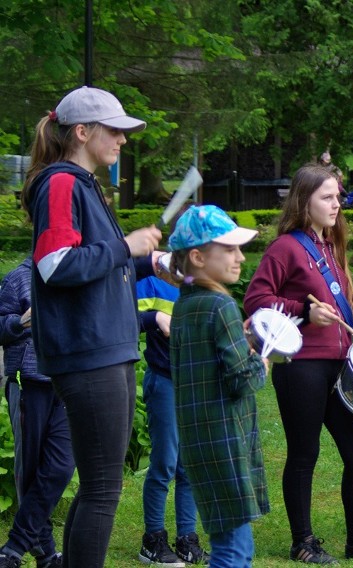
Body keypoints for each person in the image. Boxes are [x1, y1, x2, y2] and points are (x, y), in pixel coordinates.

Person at [21, 85, 162, 568]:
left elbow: (100, 269)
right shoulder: (61, 182)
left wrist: (152, 262)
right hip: (89, 355)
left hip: (108, 351)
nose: (123, 141)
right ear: (82, 132)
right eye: (115, 131)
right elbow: (55, 266)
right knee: (103, 489)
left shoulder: (84, 185)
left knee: (99, 485)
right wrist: (128, 247)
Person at [244, 165, 353, 566]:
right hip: (302, 366)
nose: (337, 204)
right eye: (327, 197)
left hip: (340, 362)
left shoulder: (330, 244)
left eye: (338, 196)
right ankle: (302, 541)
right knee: (304, 453)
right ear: (304, 200)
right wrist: (303, 312)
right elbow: (257, 302)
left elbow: (336, 298)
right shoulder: (285, 248)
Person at [167, 205, 268, 568]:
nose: (239, 257)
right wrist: (261, 360)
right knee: (233, 552)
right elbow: (243, 379)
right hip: (226, 441)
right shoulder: (221, 306)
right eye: (228, 249)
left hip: (200, 441)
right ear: (197, 256)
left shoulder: (187, 304)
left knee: (232, 545)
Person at [0, 258, 75, 568]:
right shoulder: (18, 277)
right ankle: (45, 553)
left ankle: (15, 545)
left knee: (61, 466)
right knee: (30, 469)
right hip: (28, 383)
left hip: (69, 383)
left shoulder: (77, 275)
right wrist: (21, 323)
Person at [136, 269, 209, 566]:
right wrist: (155, 318)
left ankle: (187, 540)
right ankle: (152, 540)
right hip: (165, 381)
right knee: (165, 462)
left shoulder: (205, 283)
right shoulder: (150, 281)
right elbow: (124, 321)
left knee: (189, 465)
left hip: (196, 385)